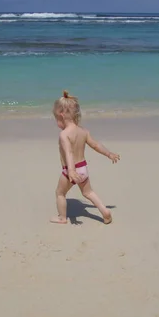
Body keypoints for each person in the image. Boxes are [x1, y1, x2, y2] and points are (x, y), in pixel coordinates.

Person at [50, 90, 120, 224]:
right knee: (88, 192)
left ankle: (62, 217)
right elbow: (96, 145)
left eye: (57, 120)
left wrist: (70, 171)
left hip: (70, 171)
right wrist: (109, 154)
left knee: (60, 193)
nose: (57, 123)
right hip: (83, 169)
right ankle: (105, 211)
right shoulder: (83, 131)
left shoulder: (64, 135)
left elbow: (68, 152)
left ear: (61, 115)